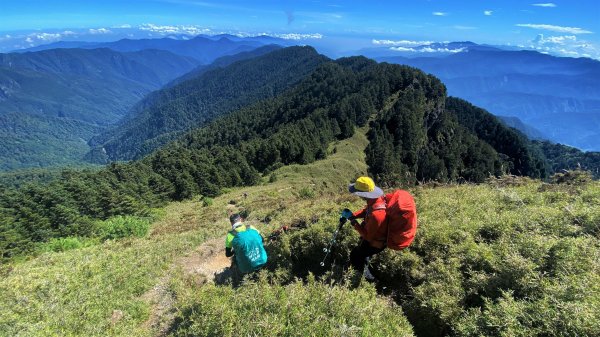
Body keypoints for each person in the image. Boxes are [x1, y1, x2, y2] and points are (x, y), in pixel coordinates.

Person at [341, 176, 388, 281]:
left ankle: (365, 277)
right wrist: (353, 215)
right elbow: (366, 211)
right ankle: (365, 265)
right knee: (361, 253)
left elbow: (367, 237)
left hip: (375, 243)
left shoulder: (377, 215)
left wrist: (354, 223)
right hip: (373, 237)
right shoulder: (375, 200)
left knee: (356, 255)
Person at [225, 213, 267, 283]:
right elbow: (262, 239)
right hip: (262, 259)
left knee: (235, 262)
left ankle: (241, 282)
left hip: (246, 267)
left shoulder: (230, 235)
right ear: (240, 219)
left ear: (231, 223)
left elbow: (228, 254)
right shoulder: (251, 227)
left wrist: (235, 250)